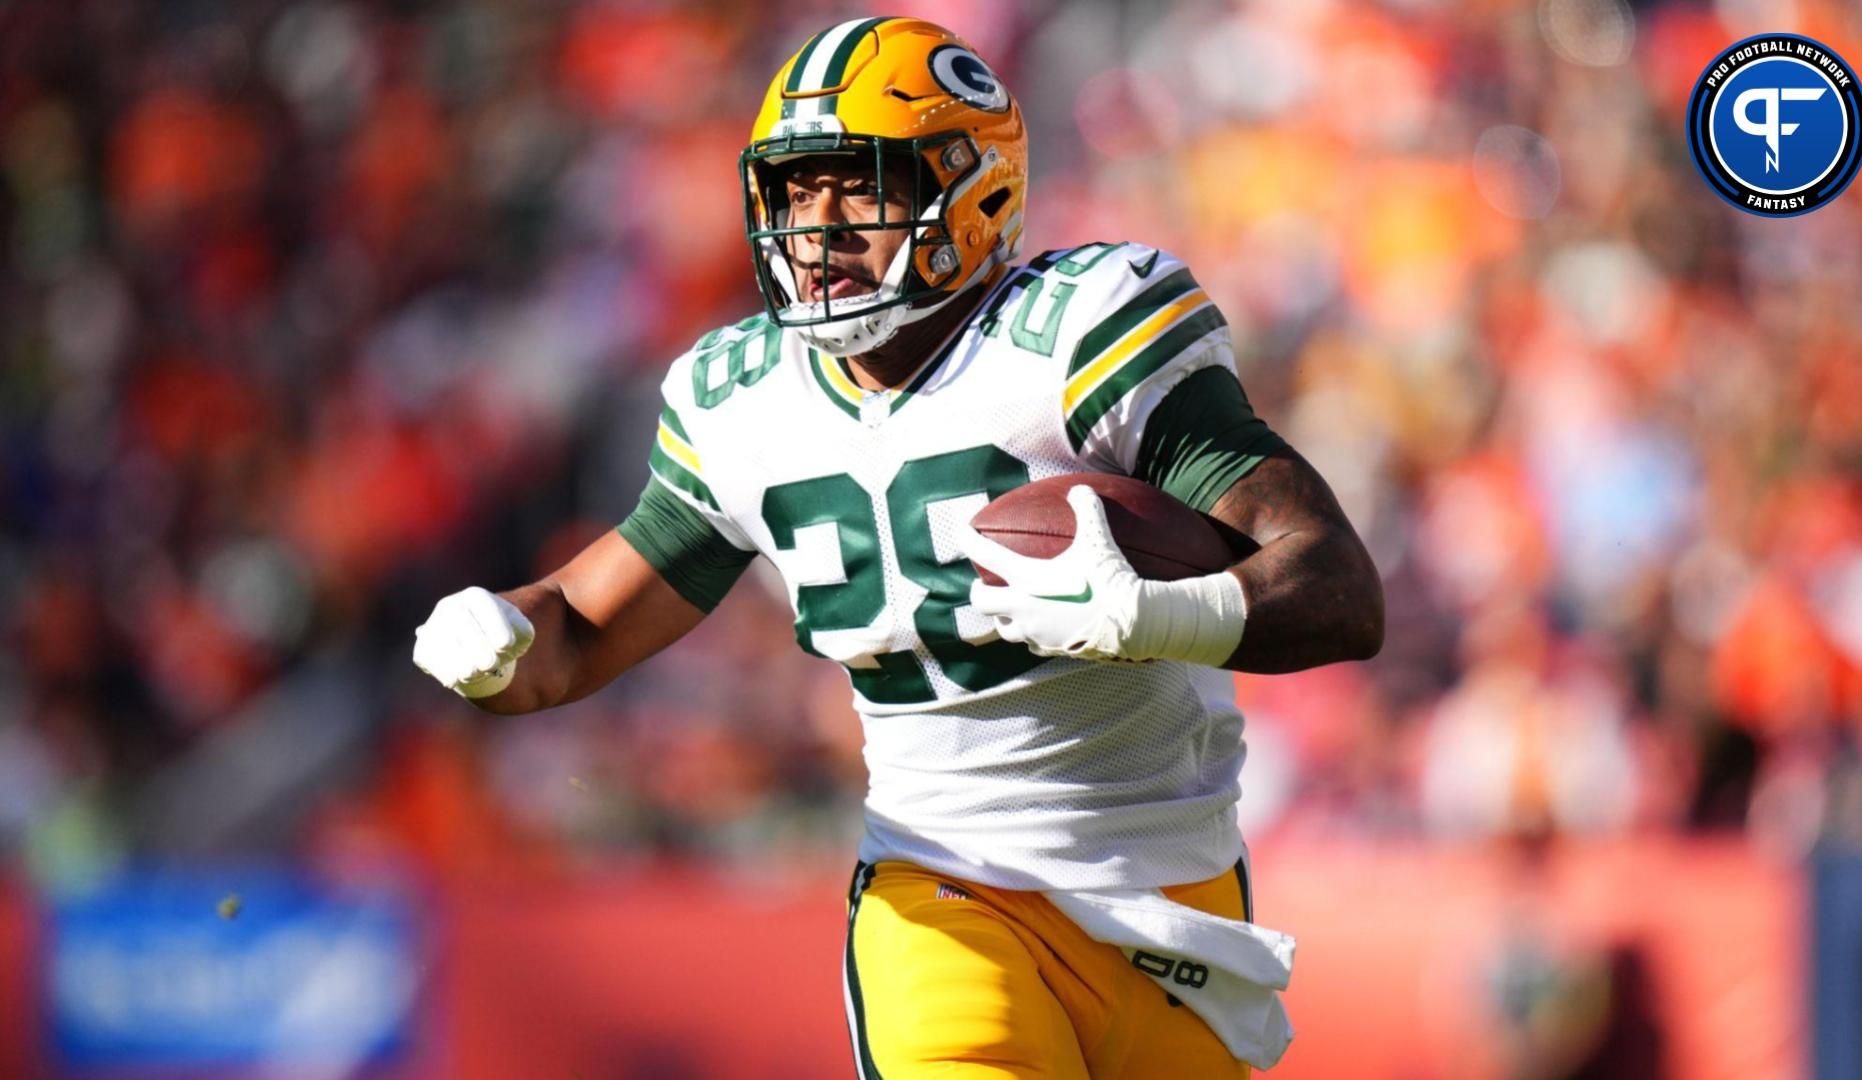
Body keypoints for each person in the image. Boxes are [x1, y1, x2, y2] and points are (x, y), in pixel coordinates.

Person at [413, 16, 1382, 1079]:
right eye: (793, 191)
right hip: (944, 896)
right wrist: (499, 638)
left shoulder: (1077, 337)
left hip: (1172, 906)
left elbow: (1337, 589)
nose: (815, 227)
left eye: (856, 187)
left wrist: (1158, 615)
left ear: (972, 192)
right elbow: (577, 633)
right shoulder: (741, 401)